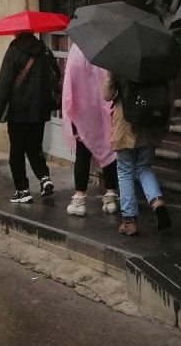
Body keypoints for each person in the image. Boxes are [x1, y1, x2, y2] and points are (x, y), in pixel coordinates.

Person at [0, 30, 59, 203]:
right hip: (39, 109)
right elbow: (56, 75)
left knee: (17, 151)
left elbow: (4, 84)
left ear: (16, 33)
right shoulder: (45, 51)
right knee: (35, 147)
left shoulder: (14, 51)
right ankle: (44, 178)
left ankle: (22, 190)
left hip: (18, 111)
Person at [106, 71, 170, 236]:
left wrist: (110, 75)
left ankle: (129, 221)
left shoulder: (121, 64)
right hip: (150, 123)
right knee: (144, 167)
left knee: (125, 170)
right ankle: (157, 202)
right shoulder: (157, 64)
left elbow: (107, 95)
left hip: (126, 124)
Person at [61, 47, 118, 217]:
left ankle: (79, 198)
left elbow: (69, 86)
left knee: (82, 153)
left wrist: (69, 109)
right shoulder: (107, 48)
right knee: (108, 148)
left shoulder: (77, 50)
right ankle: (110, 195)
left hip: (83, 111)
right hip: (105, 107)